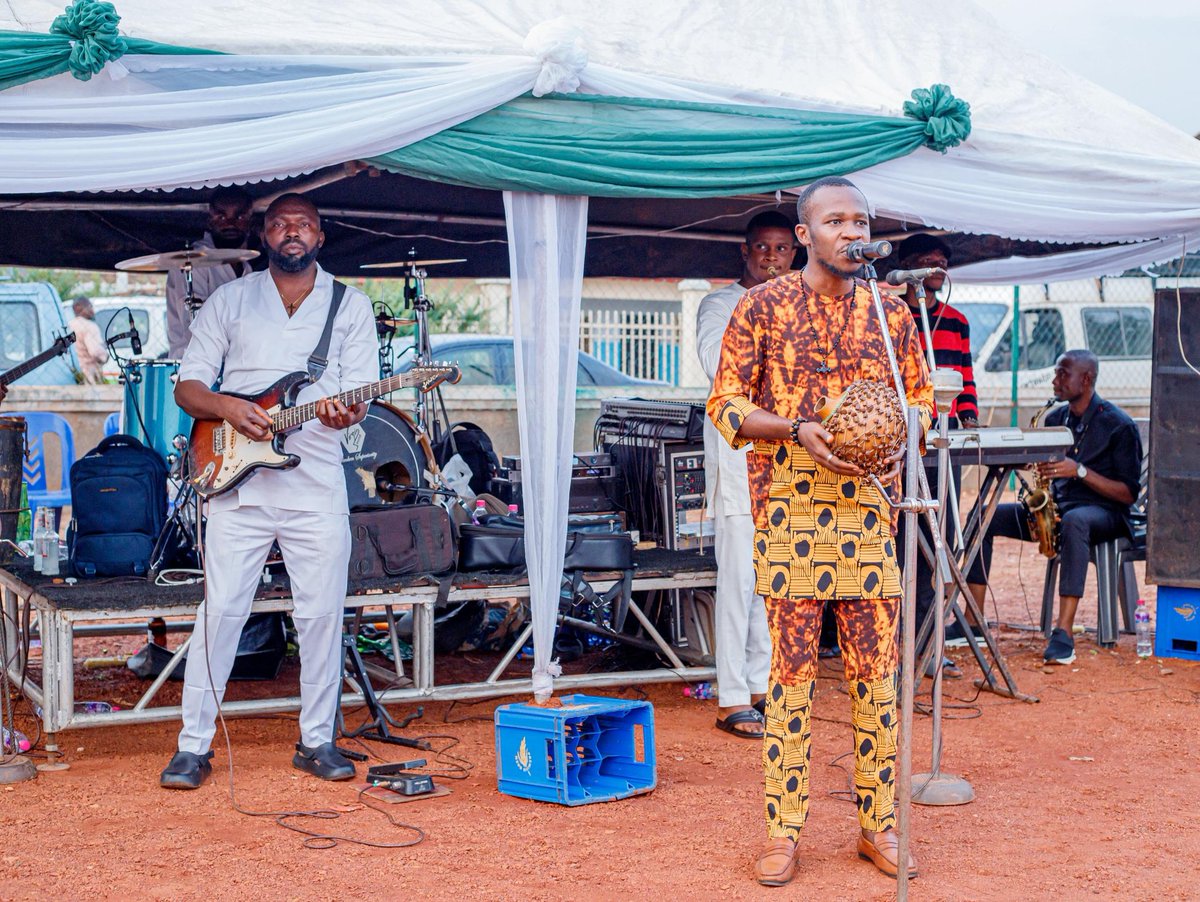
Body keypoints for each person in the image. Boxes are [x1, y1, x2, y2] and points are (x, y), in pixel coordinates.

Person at [708, 176, 933, 885]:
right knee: (792, 678)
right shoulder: (760, 306)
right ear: (804, 234)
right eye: (835, 221)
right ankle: (783, 831)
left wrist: (905, 439)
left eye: (860, 221)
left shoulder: (891, 313)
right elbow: (725, 404)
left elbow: (921, 399)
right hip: (789, 508)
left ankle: (879, 825)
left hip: (869, 510)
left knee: (876, 675)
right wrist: (795, 429)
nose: (852, 232)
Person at [160, 193, 378, 789]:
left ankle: (316, 741)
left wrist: (346, 413)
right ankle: (192, 746)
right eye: (280, 224)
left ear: (320, 236)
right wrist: (229, 408)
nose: (292, 232)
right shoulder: (230, 299)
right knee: (221, 613)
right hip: (237, 483)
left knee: (321, 615)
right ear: (265, 235)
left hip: (316, 485)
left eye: (303, 224)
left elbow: (359, 396)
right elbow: (188, 388)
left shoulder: (350, 305)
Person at [965, 349, 1142, 665]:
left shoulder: (1119, 424)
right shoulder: (1055, 418)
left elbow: (1128, 494)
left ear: (1086, 379)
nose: (1054, 380)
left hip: (1106, 513)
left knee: (1075, 521)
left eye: (1063, 373)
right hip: (1057, 509)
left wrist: (1080, 471)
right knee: (982, 515)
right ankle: (973, 621)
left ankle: (1064, 634)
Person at [697, 210, 797, 739]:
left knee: (769, 582)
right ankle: (730, 696)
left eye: (782, 249)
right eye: (763, 247)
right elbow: (722, 368)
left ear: (795, 254)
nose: (772, 258)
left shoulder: (800, 304)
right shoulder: (721, 305)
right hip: (739, 463)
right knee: (737, 582)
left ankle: (761, 686)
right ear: (745, 250)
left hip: (786, 463)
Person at [892, 234, 979, 673]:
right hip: (901, 439)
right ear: (909, 267)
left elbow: (965, 377)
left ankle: (928, 644)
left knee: (937, 539)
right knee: (899, 542)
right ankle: (892, 647)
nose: (937, 270)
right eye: (928, 262)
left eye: (942, 262)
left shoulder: (956, 321)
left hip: (943, 439)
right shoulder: (890, 316)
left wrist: (969, 416)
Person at [166, 186, 255, 358]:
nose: (230, 223)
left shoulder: (246, 266)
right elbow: (196, 325)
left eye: (239, 217)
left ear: (250, 222)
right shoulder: (192, 262)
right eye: (221, 217)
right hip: (193, 364)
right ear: (209, 221)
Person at [66, 297, 109, 384]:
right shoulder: (89, 326)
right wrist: (105, 356)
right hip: (90, 375)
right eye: (89, 306)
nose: (92, 310)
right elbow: (95, 352)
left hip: (74, 375)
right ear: (78, 308)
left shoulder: (69, 326)